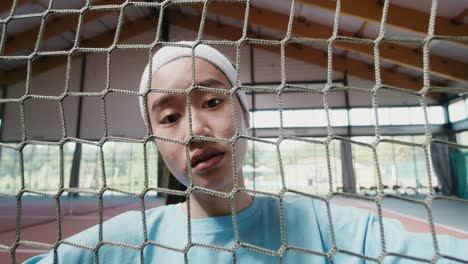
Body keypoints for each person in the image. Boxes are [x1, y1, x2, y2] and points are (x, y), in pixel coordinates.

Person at [26, 42, 467, 264]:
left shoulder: (340, 231)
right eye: (169, 118)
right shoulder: (117, 244)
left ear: (246, 116)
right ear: (157, 144)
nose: (195, 130)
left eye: (212, 102)